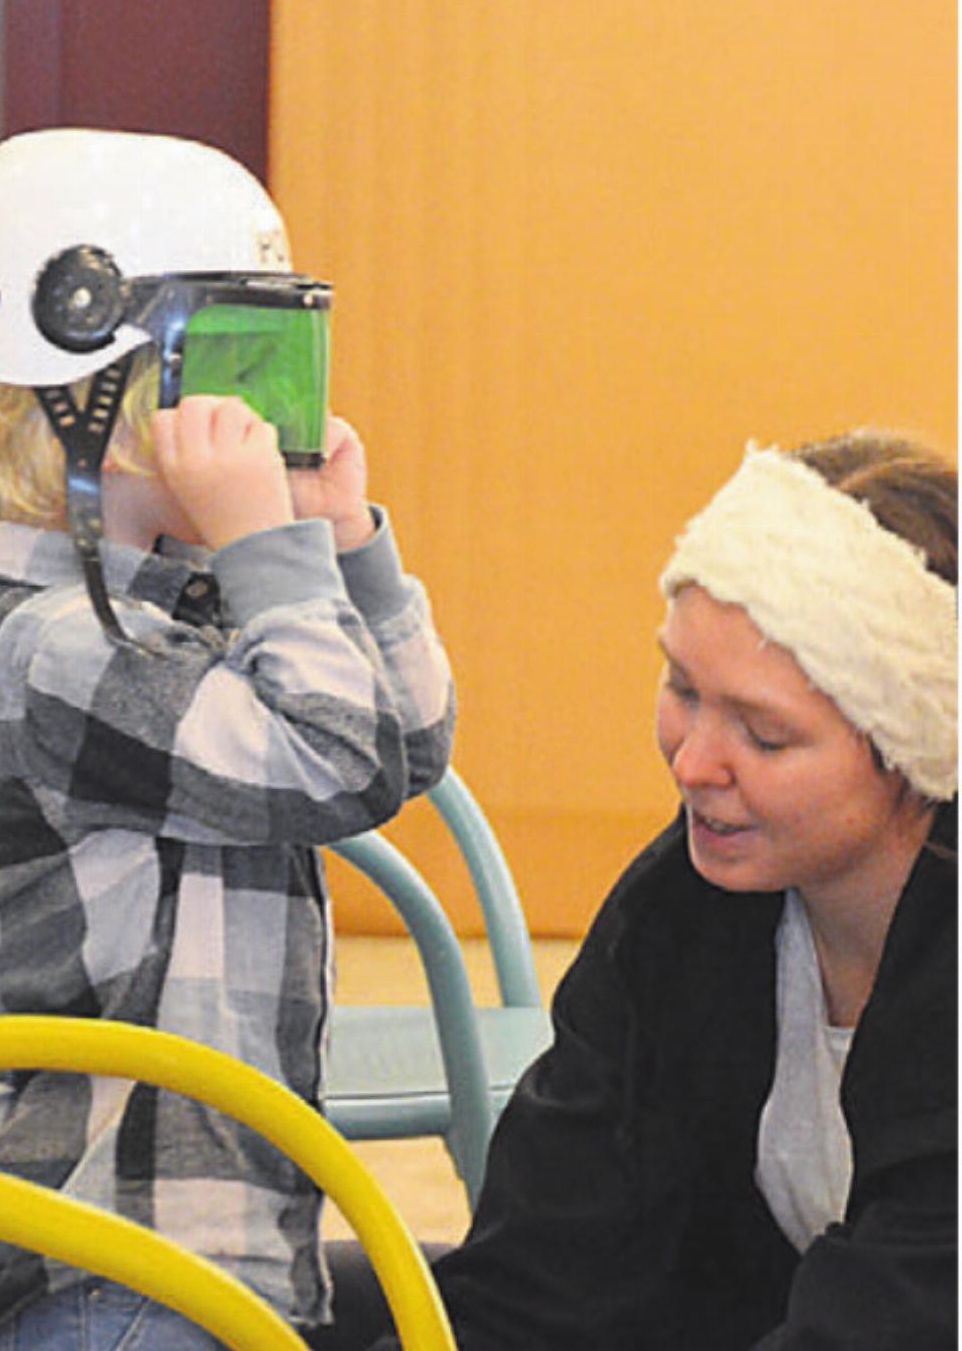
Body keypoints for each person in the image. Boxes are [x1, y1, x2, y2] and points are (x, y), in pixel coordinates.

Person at [0, 128, 456, 1350]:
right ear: (85, 401)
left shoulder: (194, 602)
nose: (267, 413)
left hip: (210, 1241)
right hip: (96, 1254)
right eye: (227, 365)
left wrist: (346, 543)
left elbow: (407, 748)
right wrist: (274, 555)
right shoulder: (53, 649)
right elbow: (335, 755)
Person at [322, 430, 956, 1351]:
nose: (695, 762)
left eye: (766, 737)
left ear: (916, 753)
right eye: (682, 689)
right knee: (260, 1303)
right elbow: (541, 1271)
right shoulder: (682, 913)